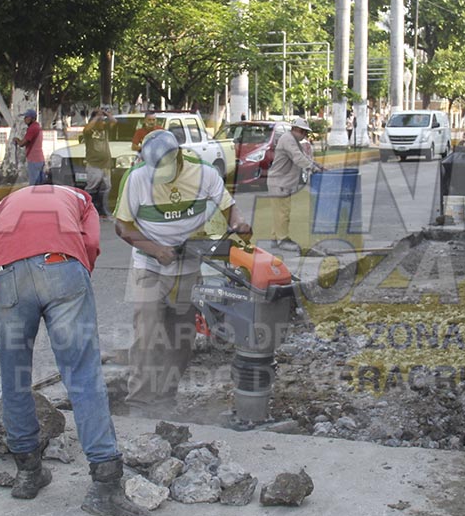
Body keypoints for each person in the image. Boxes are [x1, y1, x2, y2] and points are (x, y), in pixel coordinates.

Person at [0, 184, 151, 516]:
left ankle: (28, 472)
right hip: (61, 265)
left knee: (14, 378)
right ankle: (106, 485)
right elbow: (89, 245)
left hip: (5, 276)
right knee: (83, 374)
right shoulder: (81, 200)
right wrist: (67, 283)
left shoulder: (3, 206)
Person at [114, 130, 251, 414]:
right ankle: (139, 401)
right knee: (147, 334)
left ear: (177, 157)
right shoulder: (138, 178)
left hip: (188, 267)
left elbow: (230, 209)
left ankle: (165, 398)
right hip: (149, 267)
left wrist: (239, 223)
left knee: (182, 337)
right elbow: (123, 228)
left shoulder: (204, 174)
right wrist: (155, 249)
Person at [269, 118, 324, 252]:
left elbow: (304, 155)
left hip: (281, 182)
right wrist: (312, 168)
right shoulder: (288, 139)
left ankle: (275, 237)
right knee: (283, 213)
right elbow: (298, 157)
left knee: (279, 212)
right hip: (279, 182)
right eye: (304, 132)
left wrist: (316, 165)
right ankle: (282, 239)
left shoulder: (292, 140)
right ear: (297, 130)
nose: (304, 135)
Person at [80, 108, 116, 217]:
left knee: (107, 186)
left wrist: (105, 114)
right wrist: (96, 117)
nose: (103, 122)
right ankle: (87, 208)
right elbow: (86, 129)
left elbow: (114, 121)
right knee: (92, 187)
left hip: (105, 164)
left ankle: (103, 209)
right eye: (101, 121)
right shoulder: (90, 131)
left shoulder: (105, 129)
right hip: (93, 163)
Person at [13, 109, 45, 185]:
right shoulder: (37, 127)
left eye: (27, 117)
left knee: (34, 185)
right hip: (39, 159)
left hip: (34, 160)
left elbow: (22, 143)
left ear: (33, 118)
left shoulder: (32, 128)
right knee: (40, 184)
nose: (25, 119)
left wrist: (16, 140)